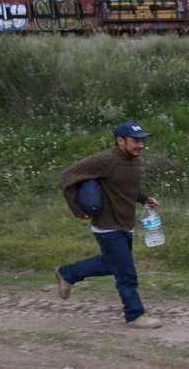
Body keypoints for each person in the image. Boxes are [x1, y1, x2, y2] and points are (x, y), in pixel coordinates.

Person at [54, 121, 162, 329]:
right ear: (120, 141)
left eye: (142, 141)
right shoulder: (105, 160)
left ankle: (67, 273)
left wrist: (144, 198)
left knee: (110, 264)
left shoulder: (134, 160)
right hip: (107, 227)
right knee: (126, 272)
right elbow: (68, 175)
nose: (140, 146)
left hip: (125, 224)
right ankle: (135, 315)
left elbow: (126, 187)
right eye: (135, 141)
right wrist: (77, 208)